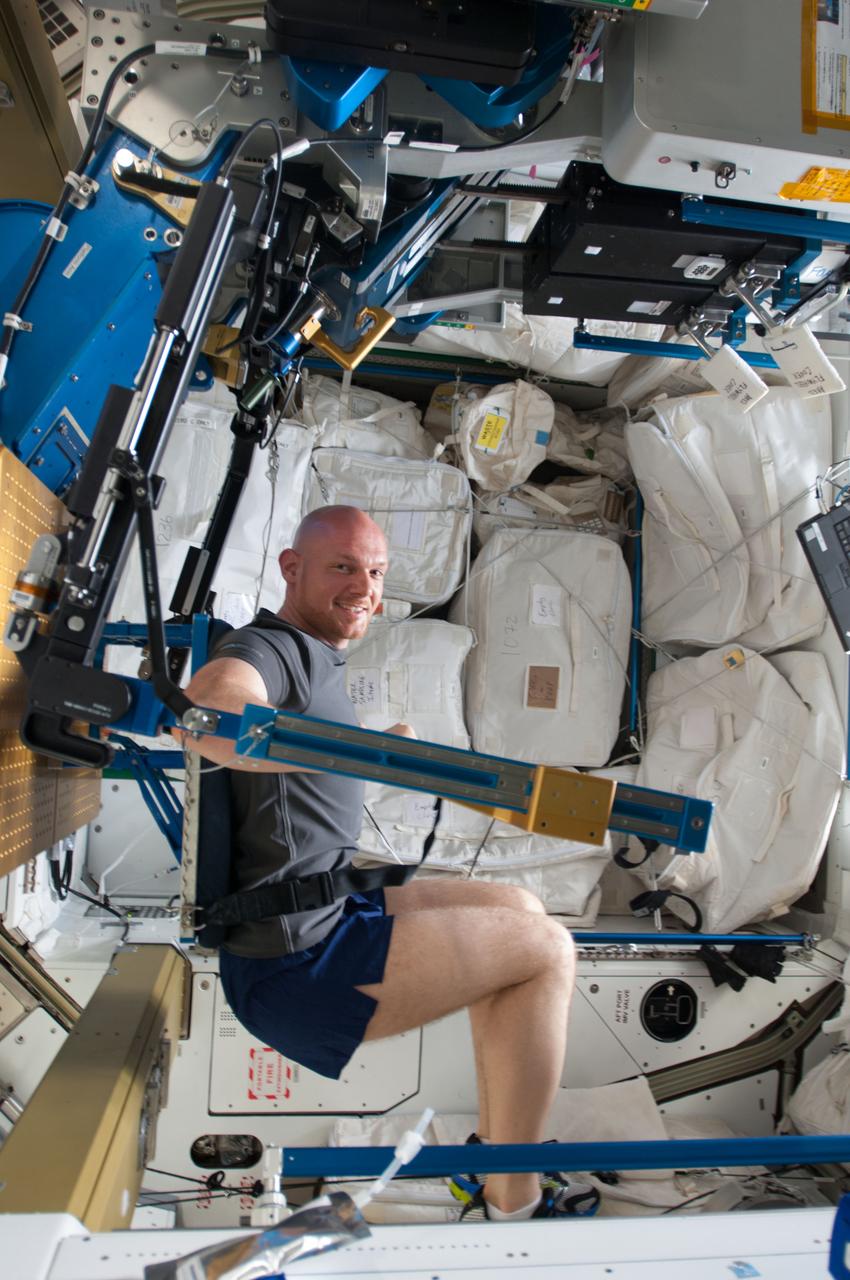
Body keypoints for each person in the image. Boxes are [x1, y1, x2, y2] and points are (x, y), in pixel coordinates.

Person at [177, 503, 595, 1222]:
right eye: (343, 567)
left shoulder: (318, 659)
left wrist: (381, 746)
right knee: (547, 952)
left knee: (521, 912)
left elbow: (301, 779)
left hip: (324, 914)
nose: (364, 588)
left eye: (375, 572)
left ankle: (492, 1163)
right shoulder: (271, 648)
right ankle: (515, 1204)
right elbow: (216, 706)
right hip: (296, 965)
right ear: (291, 569)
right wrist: (255, 724)